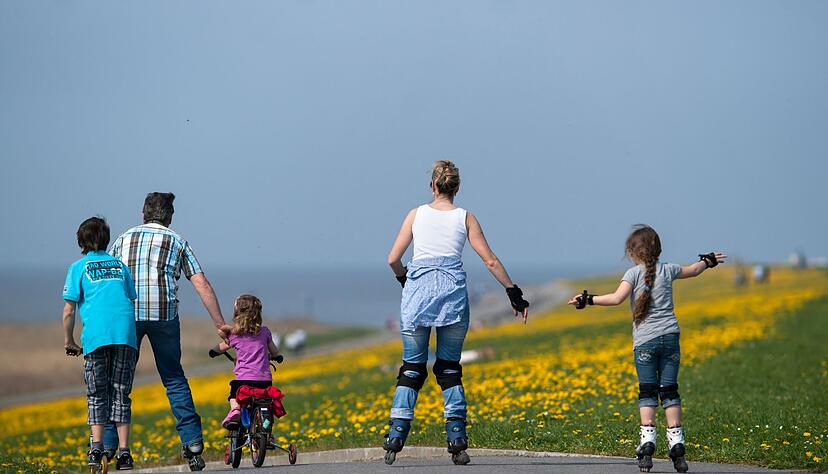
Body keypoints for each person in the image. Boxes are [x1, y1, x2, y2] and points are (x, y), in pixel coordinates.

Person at [382, 160, 530, 466]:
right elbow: (489, 260)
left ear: (432, 186)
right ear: (456, 189)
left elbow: (393, 259)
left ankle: (395, 436)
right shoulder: (466, 218)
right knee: (449, 369)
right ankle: (457, 440)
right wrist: (513, 293)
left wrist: (404, 280)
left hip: (417, 296)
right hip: (452, 298)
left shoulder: (416, 215)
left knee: (412, 368)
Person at [568, 225, 726, 473]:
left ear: (632, 252)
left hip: (645, 342)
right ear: (658, 249)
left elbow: (615, 299)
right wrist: (708, 261)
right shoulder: (670, 269)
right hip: (671, 337)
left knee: (648, 392)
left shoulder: (632, 274)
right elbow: (694, 270)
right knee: (670, 391)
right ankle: (677, 447)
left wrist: (587, 299)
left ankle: (648, 444)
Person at [105, 192, 231, 471]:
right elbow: (202, 284)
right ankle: (193, 442)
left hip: (129, 316)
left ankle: (111, 444)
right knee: (173, 378)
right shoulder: (177, 241)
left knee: (119, 382)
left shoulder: (123, 239)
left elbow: (110, 281)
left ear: (143, 214)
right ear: (170, 217)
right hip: (164, 316)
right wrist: (220, 324)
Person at [62, 217, 138, 471]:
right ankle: (124, 453)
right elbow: (128, 298)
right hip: (125, 335)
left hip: (96, 338)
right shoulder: (120, 265)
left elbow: (68, 311)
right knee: (120, 393)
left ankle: (96, 448)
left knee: (97, 393)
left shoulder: (78, 267)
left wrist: (69, 340)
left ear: (81, 242)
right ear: (106, 239)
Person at [208, 294, 282, 428]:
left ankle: (235, 409)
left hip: (243, 381)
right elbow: (274, 351)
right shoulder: (264, 332)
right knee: (266, 403)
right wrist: (276, 356)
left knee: (233, 396)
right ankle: (267, 430)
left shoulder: (235, 335)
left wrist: (214, 352)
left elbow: (221, 347)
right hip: (265, 381)